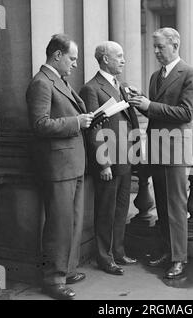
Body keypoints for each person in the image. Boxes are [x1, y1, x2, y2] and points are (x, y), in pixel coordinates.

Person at [129, 28, 193, 279]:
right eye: (155, 47)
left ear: (175, 44)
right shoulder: (154, 77)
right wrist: (140, 102)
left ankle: (179, 259)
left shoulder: (190, 74)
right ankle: (166, 251)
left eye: (160, 47)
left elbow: (186, 113)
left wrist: (150, 105)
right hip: (158, 148)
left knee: (175, 207)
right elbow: (156, 113)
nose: (157, 52)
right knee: (162, 204)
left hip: (175, 150)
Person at [26, 34, 94, 300]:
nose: (75, 64)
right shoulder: (41, 83)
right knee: (59, 224)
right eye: (72, 58)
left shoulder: (58, 80)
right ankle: (53, 280)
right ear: (57, 56)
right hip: (57, 166)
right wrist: (77, 122)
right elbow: (40, 124)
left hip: (71, 163)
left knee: (72, 222)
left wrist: (86, 119)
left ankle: (66, 270)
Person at [79, 41, 139, 276]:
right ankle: (105, 258)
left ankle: (119, 251)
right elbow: (93, 130)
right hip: (109, 162)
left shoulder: (121, 86)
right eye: (119, 56)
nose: (124, 60)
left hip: (126, 159)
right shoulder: (91, 88)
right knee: (105, 210)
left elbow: (128, 120)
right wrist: (102, 163)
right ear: (105, 59)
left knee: (122, 208)